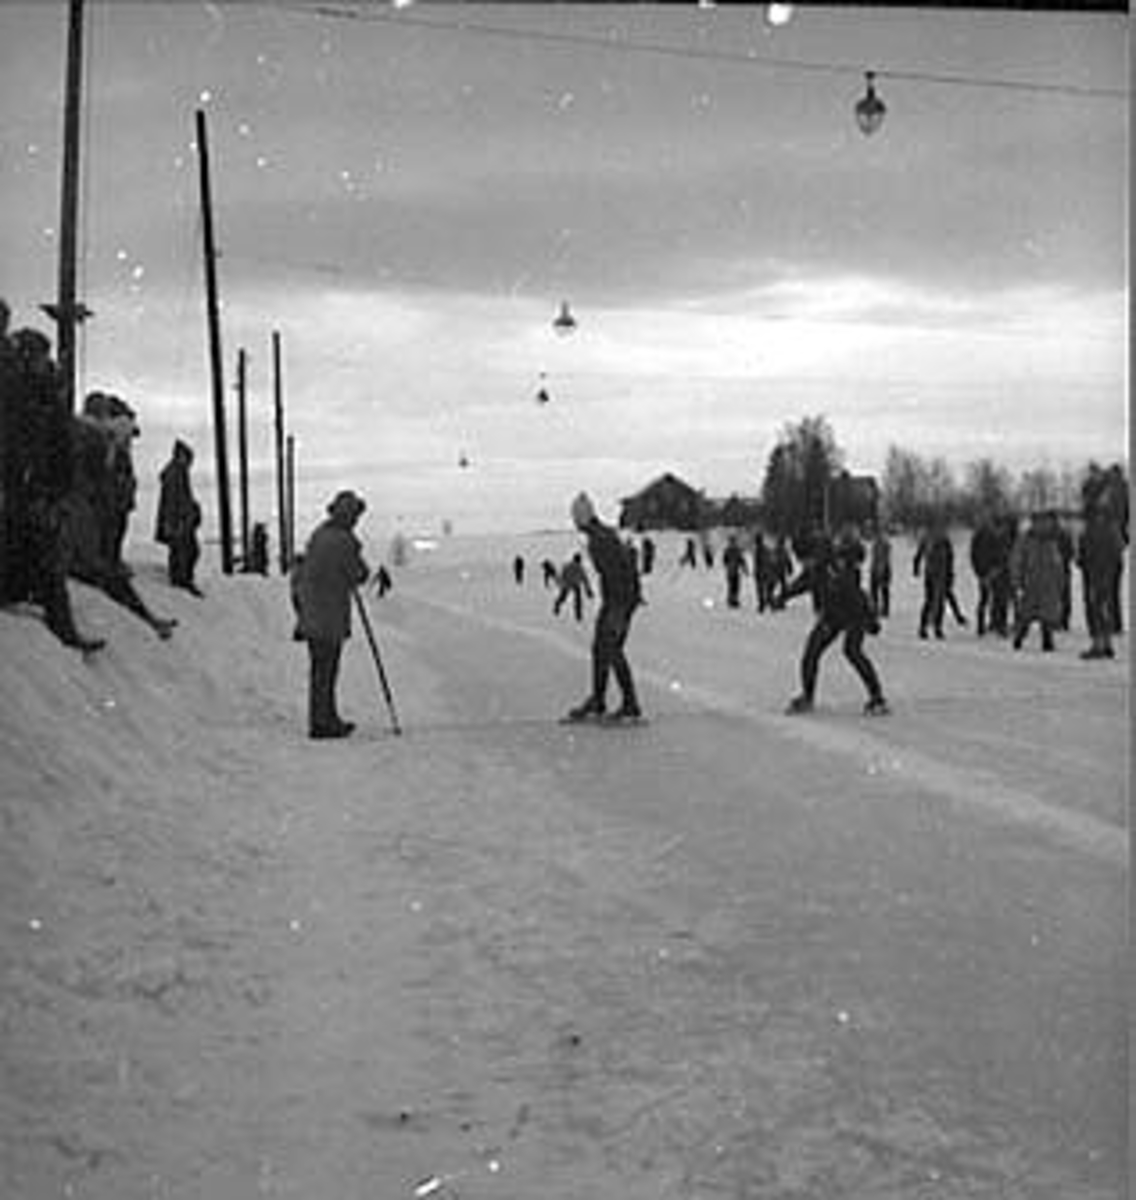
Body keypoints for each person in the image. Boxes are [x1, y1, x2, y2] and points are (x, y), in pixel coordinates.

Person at [1, 326, 104, 651]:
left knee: (37, 551)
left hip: (34, 486)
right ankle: (60, 626)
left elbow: (53, 442)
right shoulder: (26, 392)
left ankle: (54, 620)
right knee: (41, 555)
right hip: (30, 486)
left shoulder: (33, 391)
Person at [777, 531, 888, 716]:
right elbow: (803, 583)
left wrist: (870, 620)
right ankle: (807, 697)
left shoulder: (833, 567)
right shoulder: (816, 566)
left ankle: (878, 698)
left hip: (854, 613)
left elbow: (855, 594)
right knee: (811, 653)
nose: (803, 564)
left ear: (811, 554)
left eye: (804, 560)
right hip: (832, 615)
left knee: (852, 651)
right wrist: (783, 596)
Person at [293, 489, 371, 739]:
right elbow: (358, 573)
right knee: (326, 670)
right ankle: (322, 723)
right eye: (355, 515)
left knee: (320, 669)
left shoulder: (320, 534)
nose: (357, 520)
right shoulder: (344, 541)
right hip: (329, 614)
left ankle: (325, 717)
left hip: (313, 611)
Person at [564, 492, 643, 722]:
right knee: (601, 649)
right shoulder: (600, 535)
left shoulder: (600, 539)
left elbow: (619, 570)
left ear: (583, 517)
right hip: (618, 599)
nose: (574, 522)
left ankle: (630, 704)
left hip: (619, 600)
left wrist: (621, 604)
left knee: (611, 648)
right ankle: (598, 701)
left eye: (576, 517)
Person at [1077, 496, 1125, 660]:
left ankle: (1100, 644)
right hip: (1101, 572)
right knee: (1103, 607)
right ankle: (1106, 643)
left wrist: (1085, 560)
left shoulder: (1096, 529)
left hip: (1099, 573)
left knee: (1098, 608)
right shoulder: (1109, 528)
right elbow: (1118, 549)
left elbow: (1088, 550)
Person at [1009, 510, 1065, 652]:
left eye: (1045, 522)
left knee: (1048, 614)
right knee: (1027, 613)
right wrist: (1017, 580)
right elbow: (1017, 560)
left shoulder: (1051, 541)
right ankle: (1019, 637)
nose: (1043, 525)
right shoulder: (1026, 540)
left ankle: (1047, 640)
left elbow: (1058, 563)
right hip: (1031, 582)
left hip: (1048, 584)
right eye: (1039, 522)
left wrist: (1060, 581)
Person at [155, 440, 203, 596]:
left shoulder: (179, 472)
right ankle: (181, 580)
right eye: (189, 458)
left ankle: (182, 579)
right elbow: (172, 501)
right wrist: (174, 522)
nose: (190, 463)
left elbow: (183, 498)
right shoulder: (175, 473)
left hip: (181, 521)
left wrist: (193, 509)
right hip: (178, 522)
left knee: (186, 551)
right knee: (186, 551)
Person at [913, 518, 955, 639]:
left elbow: (950, 558)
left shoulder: (944, 540)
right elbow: (919, 555)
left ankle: (936, 627)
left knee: (939, 601)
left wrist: (950, 573)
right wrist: (916, 567)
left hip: (941, 574)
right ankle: (924, 627)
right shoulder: (928, 539)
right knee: (930, 600)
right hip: (932, 574)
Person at [970, 513, 1010, 638]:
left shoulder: (1003, 536)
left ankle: (999, 625)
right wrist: (980, 573)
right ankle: (982, 625)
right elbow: (974, 555)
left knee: (1000, 599)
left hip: (999, 572)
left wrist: (1002, 567)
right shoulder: (980, 536)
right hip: (985, 572)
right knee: (985, 599)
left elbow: (1005, 554)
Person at [553, 551, 593, 622]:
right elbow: (585, 579)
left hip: (567, 583)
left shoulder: (567, 565)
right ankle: (578, 613)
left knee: (563, 597)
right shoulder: (580, 568)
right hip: (574, 584)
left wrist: (561, 583)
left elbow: (563, 574)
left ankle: (557, 606)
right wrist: (588, 590)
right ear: (579, 560)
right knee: (578, 599)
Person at [867, 524, 892, 620]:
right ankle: (877, 608)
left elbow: (884, 558)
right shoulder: (876, 544)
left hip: (883, 569)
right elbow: (874, 557)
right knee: (875, 590)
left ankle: (884, 609)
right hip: (875, 569)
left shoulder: (885, 544)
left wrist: (881, 569)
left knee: (883, 589)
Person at [722, 533, 747, 609]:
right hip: (734, 571)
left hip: (731, 571)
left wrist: (728, 565)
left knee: (732, 586)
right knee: (734, 586)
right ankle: (733, 600)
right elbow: (741, 560)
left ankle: (732, 600)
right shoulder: (736, 550)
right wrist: (744, 569)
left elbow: (725, 560)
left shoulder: (728, 550)